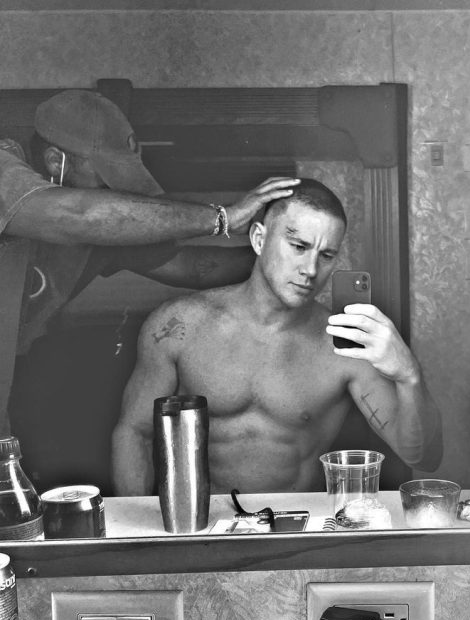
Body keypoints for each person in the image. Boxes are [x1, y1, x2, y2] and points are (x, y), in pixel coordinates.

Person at [112, 178, 443, 494]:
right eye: (298, 246)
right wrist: (136, 530)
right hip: (204, 522)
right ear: (259, 239)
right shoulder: (179, 326)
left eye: (326, 255)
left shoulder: (346, 345)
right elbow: (134, 433)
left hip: (299, 525)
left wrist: (408, 374)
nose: (310, 270)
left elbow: (422, 457)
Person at [0, 88, 297, 437]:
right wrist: (223, 218)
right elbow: (78, 215)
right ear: (55, 161)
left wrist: (284, 257)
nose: (114, 194)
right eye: (105, 178)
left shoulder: (101, 225)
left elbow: (189, 267)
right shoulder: (6, 168)